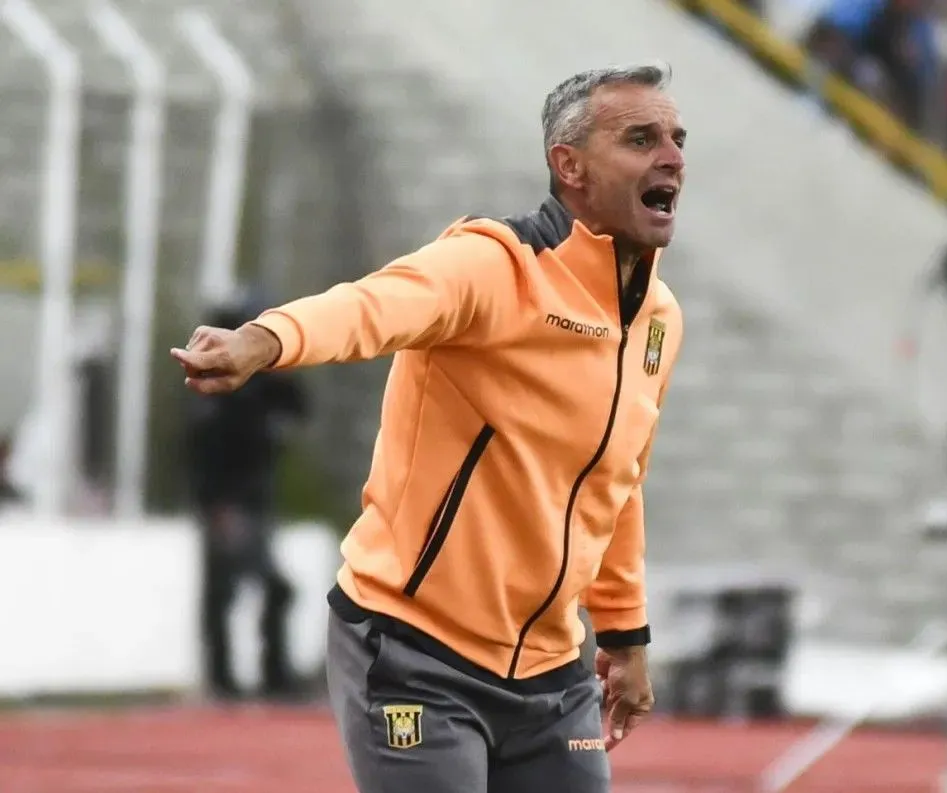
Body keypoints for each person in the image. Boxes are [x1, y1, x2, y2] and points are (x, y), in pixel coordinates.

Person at [172, 63, 685, 793]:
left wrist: (627, 636)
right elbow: (368, 306)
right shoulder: (492, 266)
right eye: (641, 138)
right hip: (418, 653)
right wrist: (264, 339)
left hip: (553, 675)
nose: (671, 156)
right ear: (568, 165)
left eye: (675, 138)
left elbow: (620, 479)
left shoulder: (659, 319)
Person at [185, 294, 310, 701]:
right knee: (227, 591)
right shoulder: (219, 391)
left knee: (264, 589)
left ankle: (263, 677)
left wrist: (283, 371)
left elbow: (297, 412)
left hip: (254, 500)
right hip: (229, 503)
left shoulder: (263, 389)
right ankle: (225, 680)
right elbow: (204, 452)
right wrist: (217, 506)